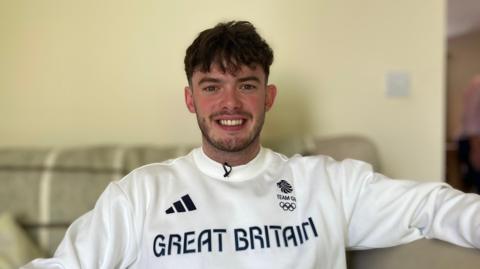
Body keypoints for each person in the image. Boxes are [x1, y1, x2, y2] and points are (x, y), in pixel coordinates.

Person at [23, 20, 480, 269]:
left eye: (245, 85)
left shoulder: (326, 182)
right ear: (190, 99)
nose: (229, 103)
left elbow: (433, 207)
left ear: (268, 96)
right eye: (210, 86)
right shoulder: (140, 194)